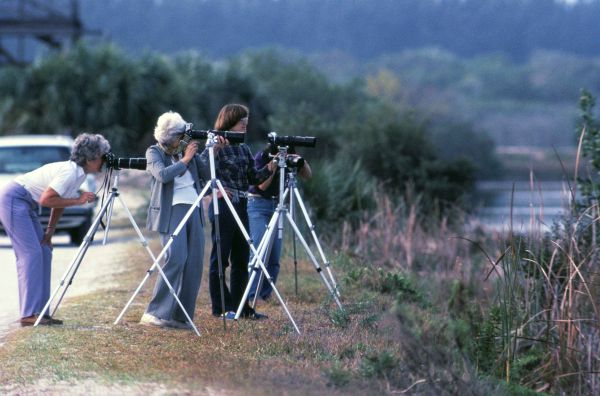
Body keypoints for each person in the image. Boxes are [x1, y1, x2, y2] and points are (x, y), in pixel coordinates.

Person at [0, 133, 110, 327]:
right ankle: (29, 314)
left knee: (44, 250)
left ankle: (41, 312)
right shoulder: (69, 172)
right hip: (14, 199)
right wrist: (78, 200)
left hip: (27, 204)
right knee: (31, 254)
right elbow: (46, 200)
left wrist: (49, 233)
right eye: (103, 156)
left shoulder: (78, 174)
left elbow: (57, 203)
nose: (104, 161)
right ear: (91, 158)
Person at [140, 111, 221, 329]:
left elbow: (206, 175)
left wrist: (212, 151)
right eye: (181, 136)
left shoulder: (186, 151)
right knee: (176, 257)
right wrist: (185, 159)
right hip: (171, 210)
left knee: (194, 263)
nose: (184, 139)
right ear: (171, 137)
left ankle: (180, 316)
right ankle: (155, 311)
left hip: (194, 208)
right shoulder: (154, 152)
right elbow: (163, 175)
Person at [208, 103, 274, 320]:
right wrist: (213, 151)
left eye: (246, 124)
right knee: (221, 257)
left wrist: (273, 166)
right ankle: (221, 307)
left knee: (241, 258)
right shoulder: (215, 145)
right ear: (229, 123)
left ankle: (242, 308)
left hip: (242, 204)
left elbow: (253, 179)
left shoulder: (244, 149)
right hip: (223, 204)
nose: (245, 128)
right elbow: (203, 172)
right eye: (241, 124)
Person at [247, 144, 312, 301]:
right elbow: (261, 186)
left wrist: (300, 162)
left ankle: (265, 294)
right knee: (259, 249)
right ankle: (251, 294)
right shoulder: (261, 157)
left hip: (277, 204)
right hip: (258, 204)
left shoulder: (291, 154)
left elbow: (308, 175)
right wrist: (274, 165)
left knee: (274, 255)